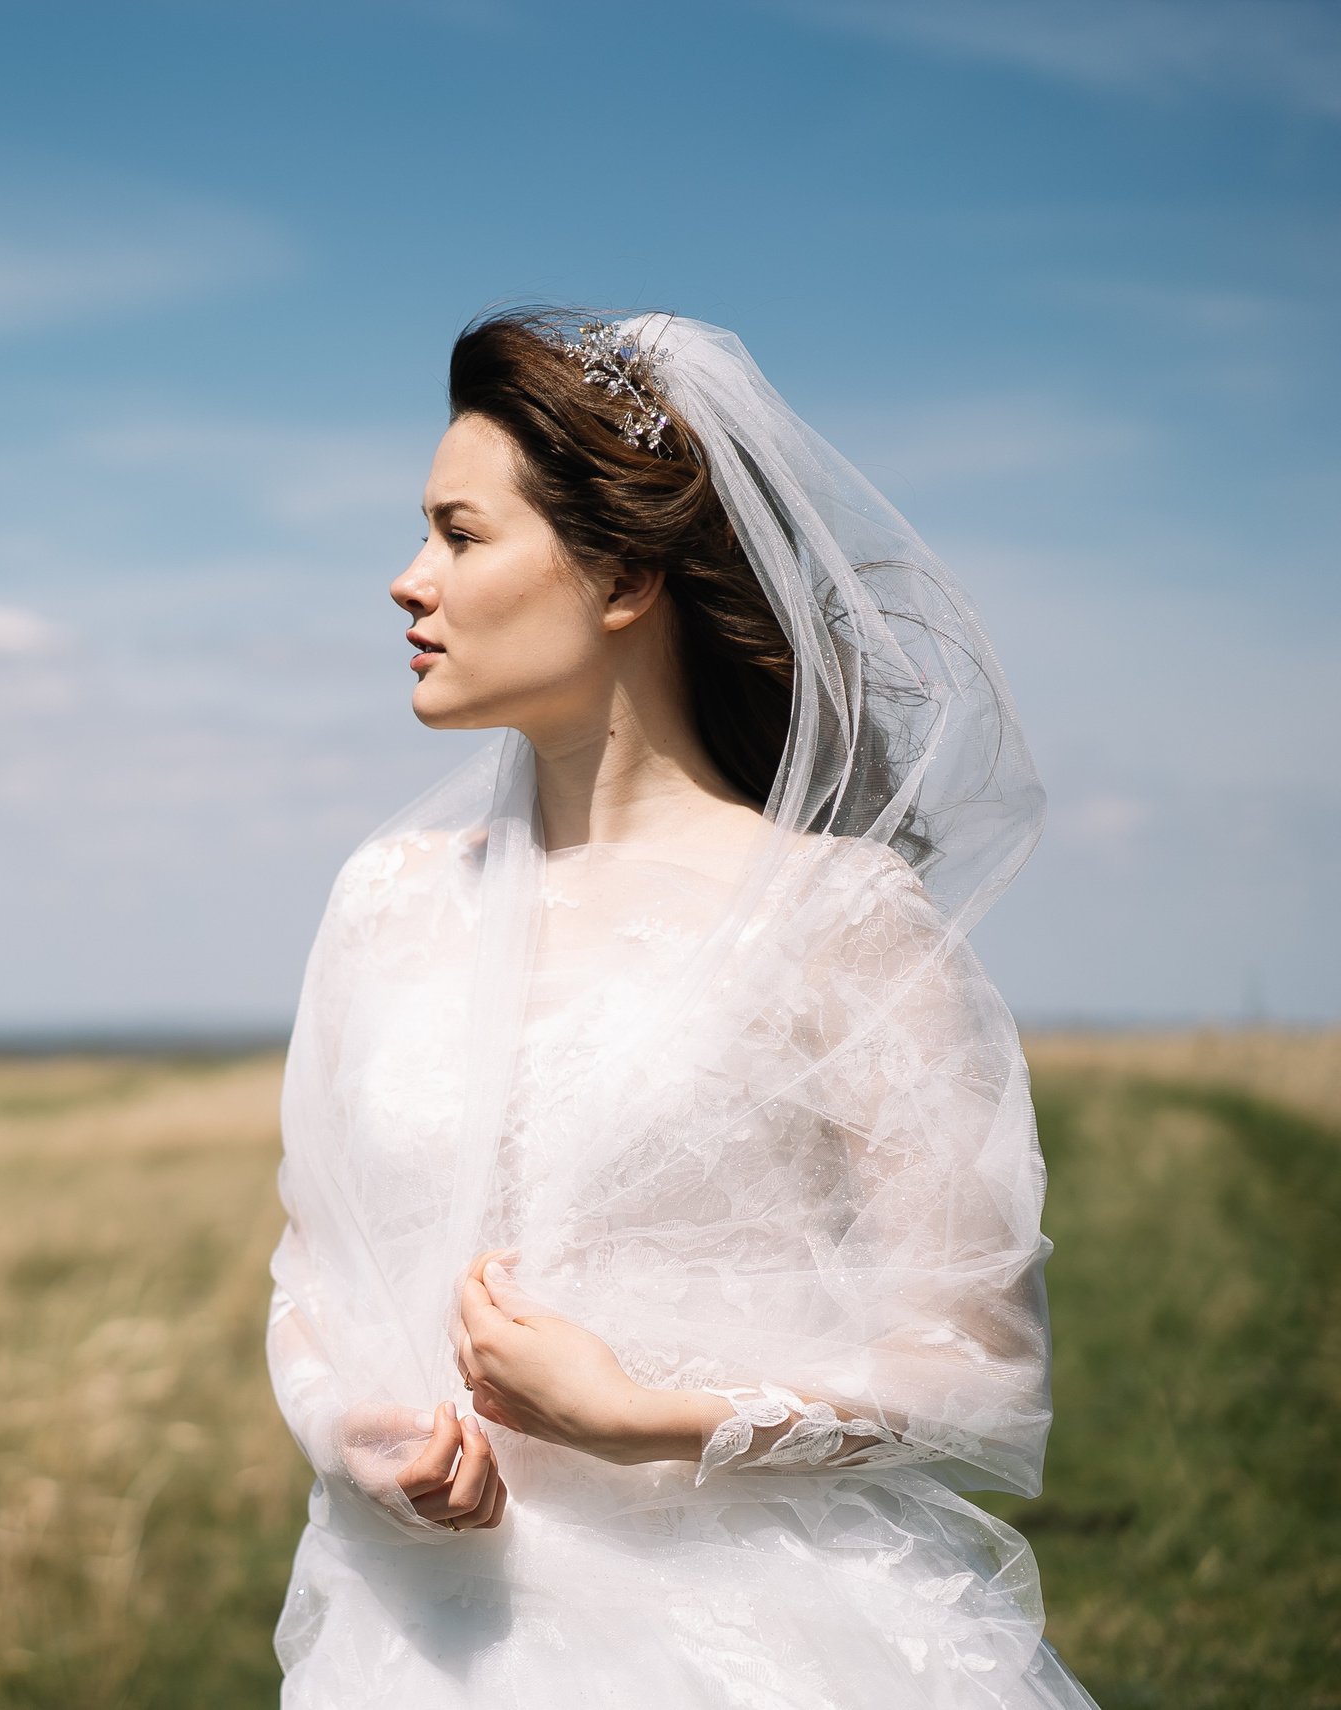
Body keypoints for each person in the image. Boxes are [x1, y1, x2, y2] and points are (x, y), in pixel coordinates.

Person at [265, 311, 1096, 1706]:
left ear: (622, 574)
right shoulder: (385, 902)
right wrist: (354, 1430)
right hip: (415, 1642)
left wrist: (644, 1416)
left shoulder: (838, 920)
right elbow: (312, 1274)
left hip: (755, 1652)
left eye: (461, 536)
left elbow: (983, 1367)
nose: (409, 583)